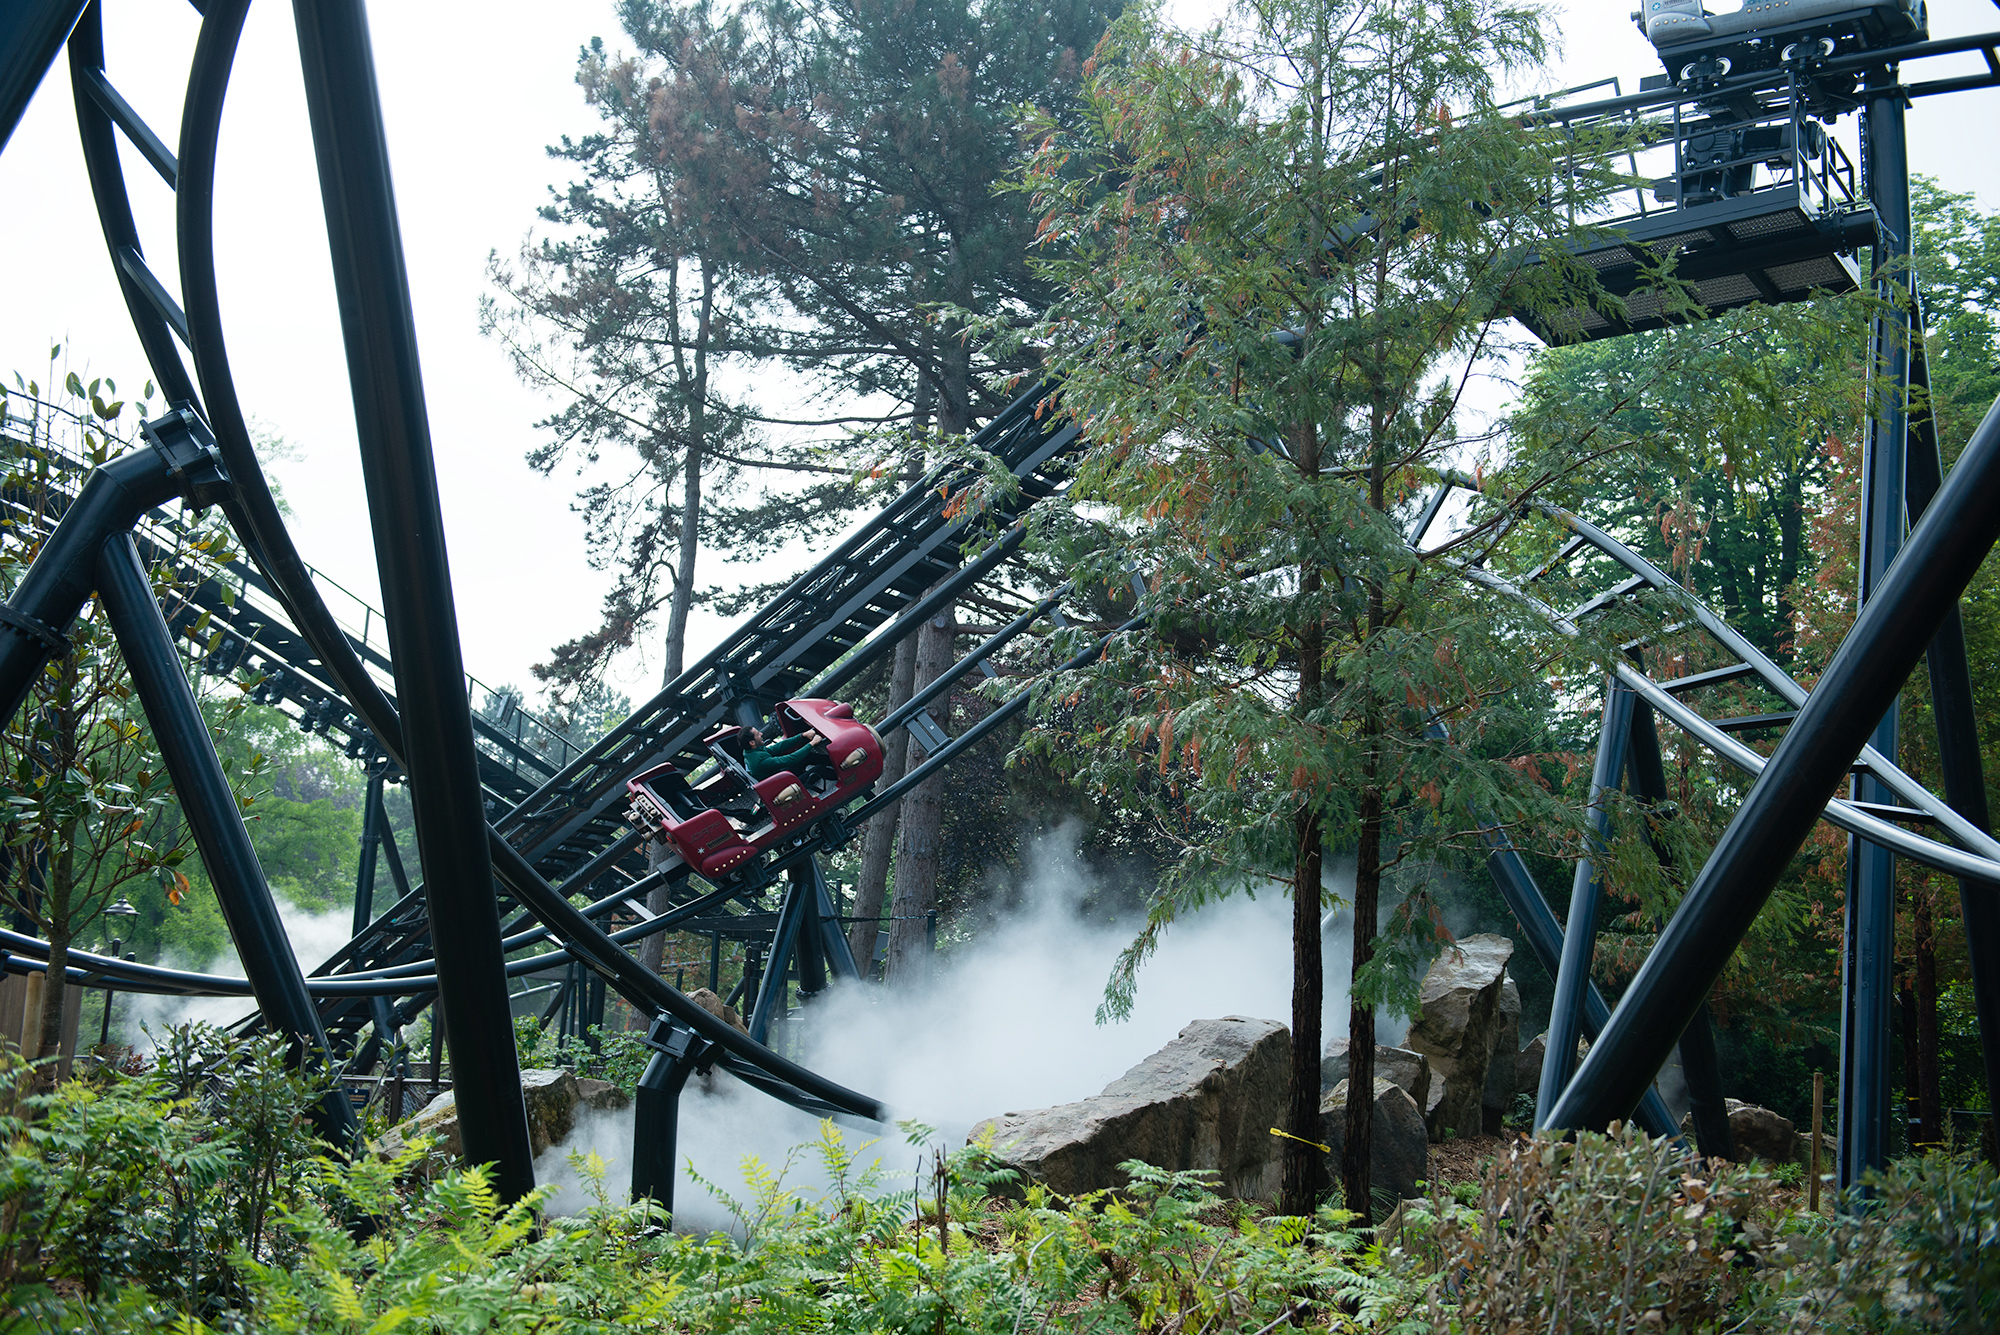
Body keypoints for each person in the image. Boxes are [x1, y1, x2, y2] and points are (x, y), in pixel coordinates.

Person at [742, 726, 826, 781]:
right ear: (752, 742)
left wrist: (802, 735)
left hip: (778, 775)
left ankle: (836, 762)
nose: (761, 734)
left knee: (808, 756)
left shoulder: (750, 751)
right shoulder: (759, 760)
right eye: (758, 734)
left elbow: (778, 747)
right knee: (819, 769)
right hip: (782, 784)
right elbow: (789, 759)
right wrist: (812, 743)